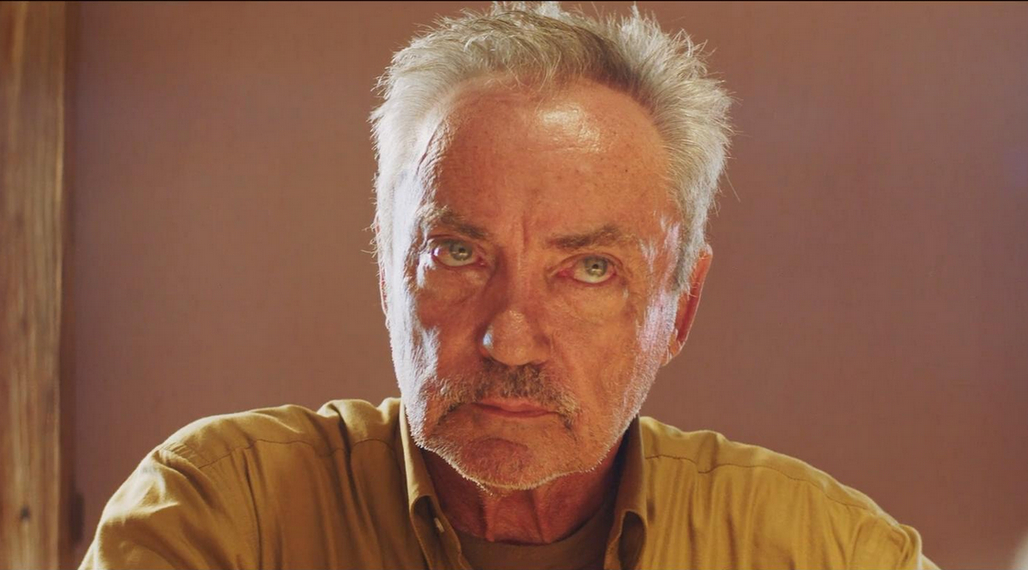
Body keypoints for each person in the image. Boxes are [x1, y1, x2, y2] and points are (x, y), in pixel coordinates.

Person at [81, 3, 937, 569]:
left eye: (590, 269)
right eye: (458, 253)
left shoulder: (824, 549)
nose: (511, 338)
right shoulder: (220, 517)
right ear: (387, 272)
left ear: (680, 307)